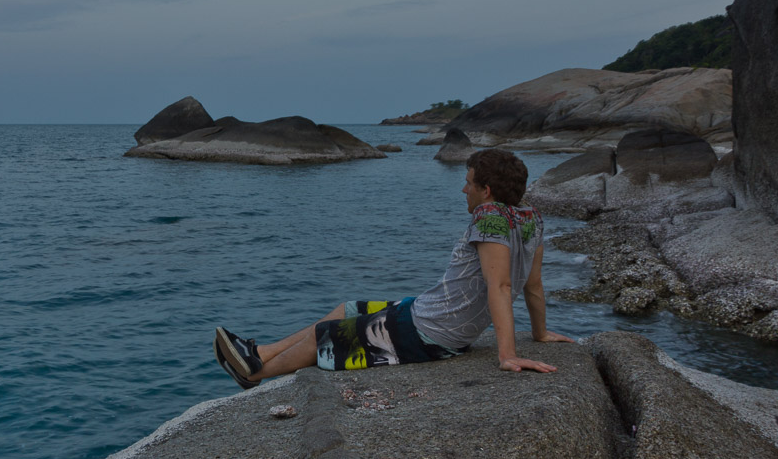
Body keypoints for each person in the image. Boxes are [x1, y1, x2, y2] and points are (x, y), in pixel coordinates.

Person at [214, 148, 573, 388]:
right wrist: (540, 333)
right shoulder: (531, 218)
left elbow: (502, 286)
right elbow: (534, 285)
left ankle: (254, 375)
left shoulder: (489, 217)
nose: (463, 189)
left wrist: (507, 355)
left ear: (487, 190)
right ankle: (260, 353)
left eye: (468, 182)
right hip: (427, 313)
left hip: (429, 331)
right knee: (347, 308)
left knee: (327, 335)